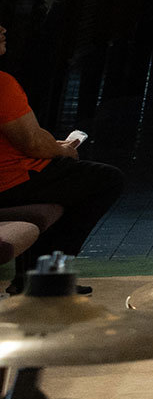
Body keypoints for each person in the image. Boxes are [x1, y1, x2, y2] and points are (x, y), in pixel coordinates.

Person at [0, 22, 123, 286]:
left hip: (11, 175)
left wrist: (52, 147)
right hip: (9, 182)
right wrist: (64, 150)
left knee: (72, 182)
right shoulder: (2, 83)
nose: (2, 29)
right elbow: (32, 143)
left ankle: (34, 276)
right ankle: (46, 276)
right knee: (107, 180)